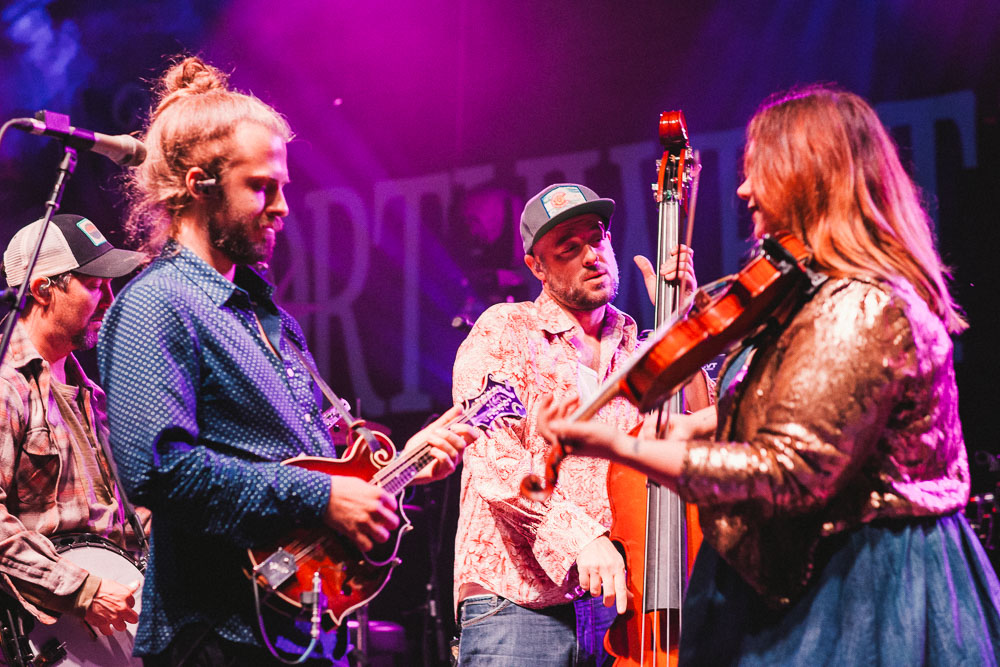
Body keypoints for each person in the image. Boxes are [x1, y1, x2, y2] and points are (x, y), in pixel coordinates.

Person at [539, 85, 1000, 665]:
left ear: (809, 177)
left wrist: (614, 444)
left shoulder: (859, 305)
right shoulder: (809, 298)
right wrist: (690, 427)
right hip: (810, 567)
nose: (743, 188)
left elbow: (785, 470)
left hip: (861, 583)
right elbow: (782, 408)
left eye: (760, 170)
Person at [96, 56, 479, 666]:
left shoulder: (267, 315)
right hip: (215, 634)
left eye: (283, 188)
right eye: (261, 187)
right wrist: (319, 497)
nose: (282, 207)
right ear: (199, 185)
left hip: (295, 629)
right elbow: (161, 472)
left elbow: (306, 461)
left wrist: (399, 469)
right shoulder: (157, 303)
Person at [451, 182, 700, 665]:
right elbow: (495, 461)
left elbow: (691, 434)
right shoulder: (504, 330)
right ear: (537, 266)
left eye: (598, 238)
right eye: (569, 247)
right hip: (518, 604)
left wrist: (684, 326)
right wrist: (580, 537)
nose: (593, 255)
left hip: (618, 606)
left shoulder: (640, 347)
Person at [0, 214, 145, 643]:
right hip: (42, 636)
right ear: (43, 289)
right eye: (95, 284)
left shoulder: (92, 396)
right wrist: (80, 589)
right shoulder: (7, 387)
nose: (110, 299)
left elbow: (120, 522)